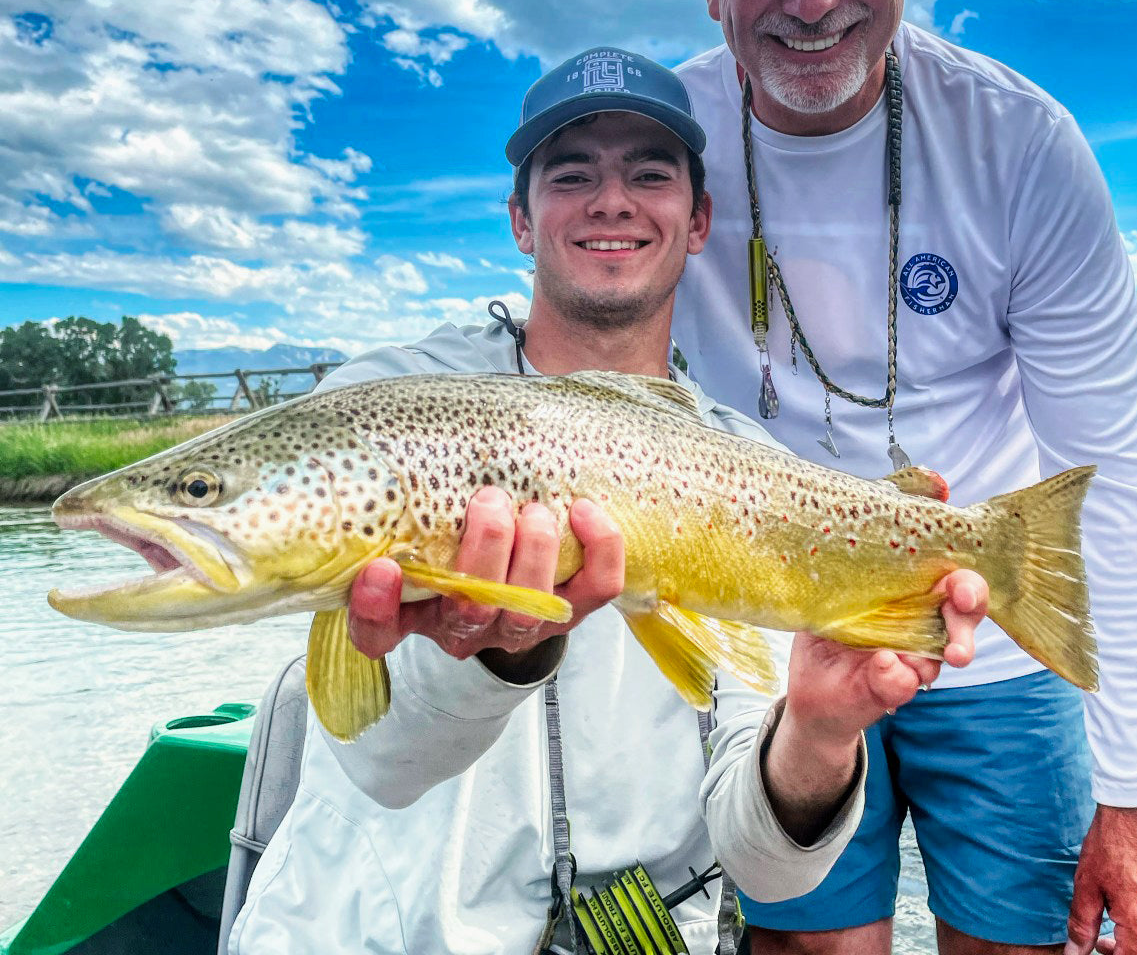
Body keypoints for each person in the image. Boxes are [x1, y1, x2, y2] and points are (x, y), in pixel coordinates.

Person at [228, 47, 988, 955]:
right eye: (572, 174)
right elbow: (379, 766)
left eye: (650, 174)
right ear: (519, 218)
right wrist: (498, 658)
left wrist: (821, 734)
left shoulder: (743, 473)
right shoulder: (386, 408)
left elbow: (767, 868)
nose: (611, 201)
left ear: (699, 219)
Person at [669, 0, 1137, 955]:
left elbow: (1116, 477)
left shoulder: (1022, 144)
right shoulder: (662, 155)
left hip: (1001, 633)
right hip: (778, 649)